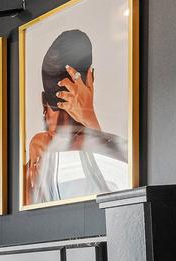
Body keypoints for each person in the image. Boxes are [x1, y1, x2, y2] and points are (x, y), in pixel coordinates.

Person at [23, 28, 129, 204]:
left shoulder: (37, 154)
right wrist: (90, 118)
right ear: (91, 78)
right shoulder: (121, 153)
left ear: (43, 101)